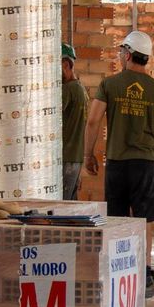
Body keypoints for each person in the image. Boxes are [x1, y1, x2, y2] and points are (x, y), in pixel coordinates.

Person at [85, 30, 154, 223]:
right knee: (145, 222)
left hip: (116, 164)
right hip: (145, 165)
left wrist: (88, 154)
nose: (119, 57)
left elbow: (93, 121)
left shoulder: (109, 85)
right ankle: (145, 255)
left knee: (116, 223)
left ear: (127, 54)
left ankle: (119, 254)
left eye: (120, 53)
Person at [60, 42, 88, 200]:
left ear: (65, 64)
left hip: (66, 158)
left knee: (60, 208)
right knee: (70, 205)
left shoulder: (67, 90)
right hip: (75, 158)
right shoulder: (80, 89)